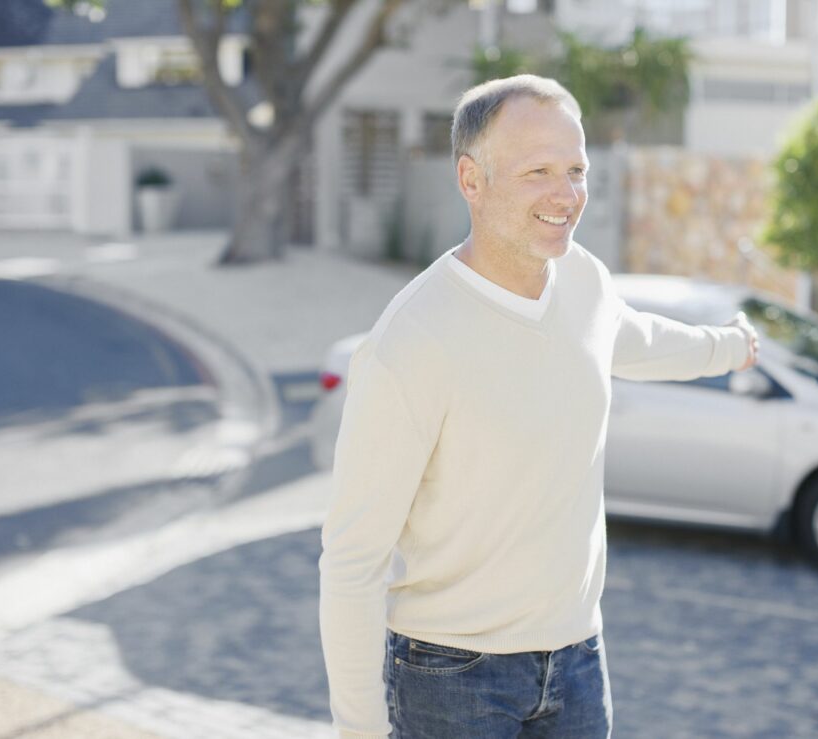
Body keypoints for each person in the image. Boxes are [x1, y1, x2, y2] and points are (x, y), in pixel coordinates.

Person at [318, 74, 759, 738]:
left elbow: (633, 339)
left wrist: (729, 347)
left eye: (576, 169)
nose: (567, 194)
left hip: (578, 659)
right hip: (450, 677)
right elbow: (353, 559)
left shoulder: (584, 279)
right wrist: (361, 730)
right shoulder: (411, 341)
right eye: (539, 171)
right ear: (472, 180)